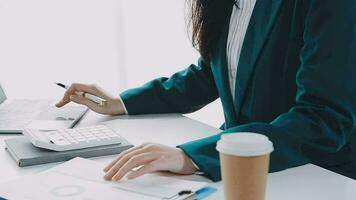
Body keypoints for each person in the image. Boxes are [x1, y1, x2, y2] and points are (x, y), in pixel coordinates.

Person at [56, 0, 356, 182]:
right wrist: (121, 102)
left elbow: (323, 121)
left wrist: (194, 157)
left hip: (315, 174)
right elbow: (211, 73)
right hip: (242, 174)